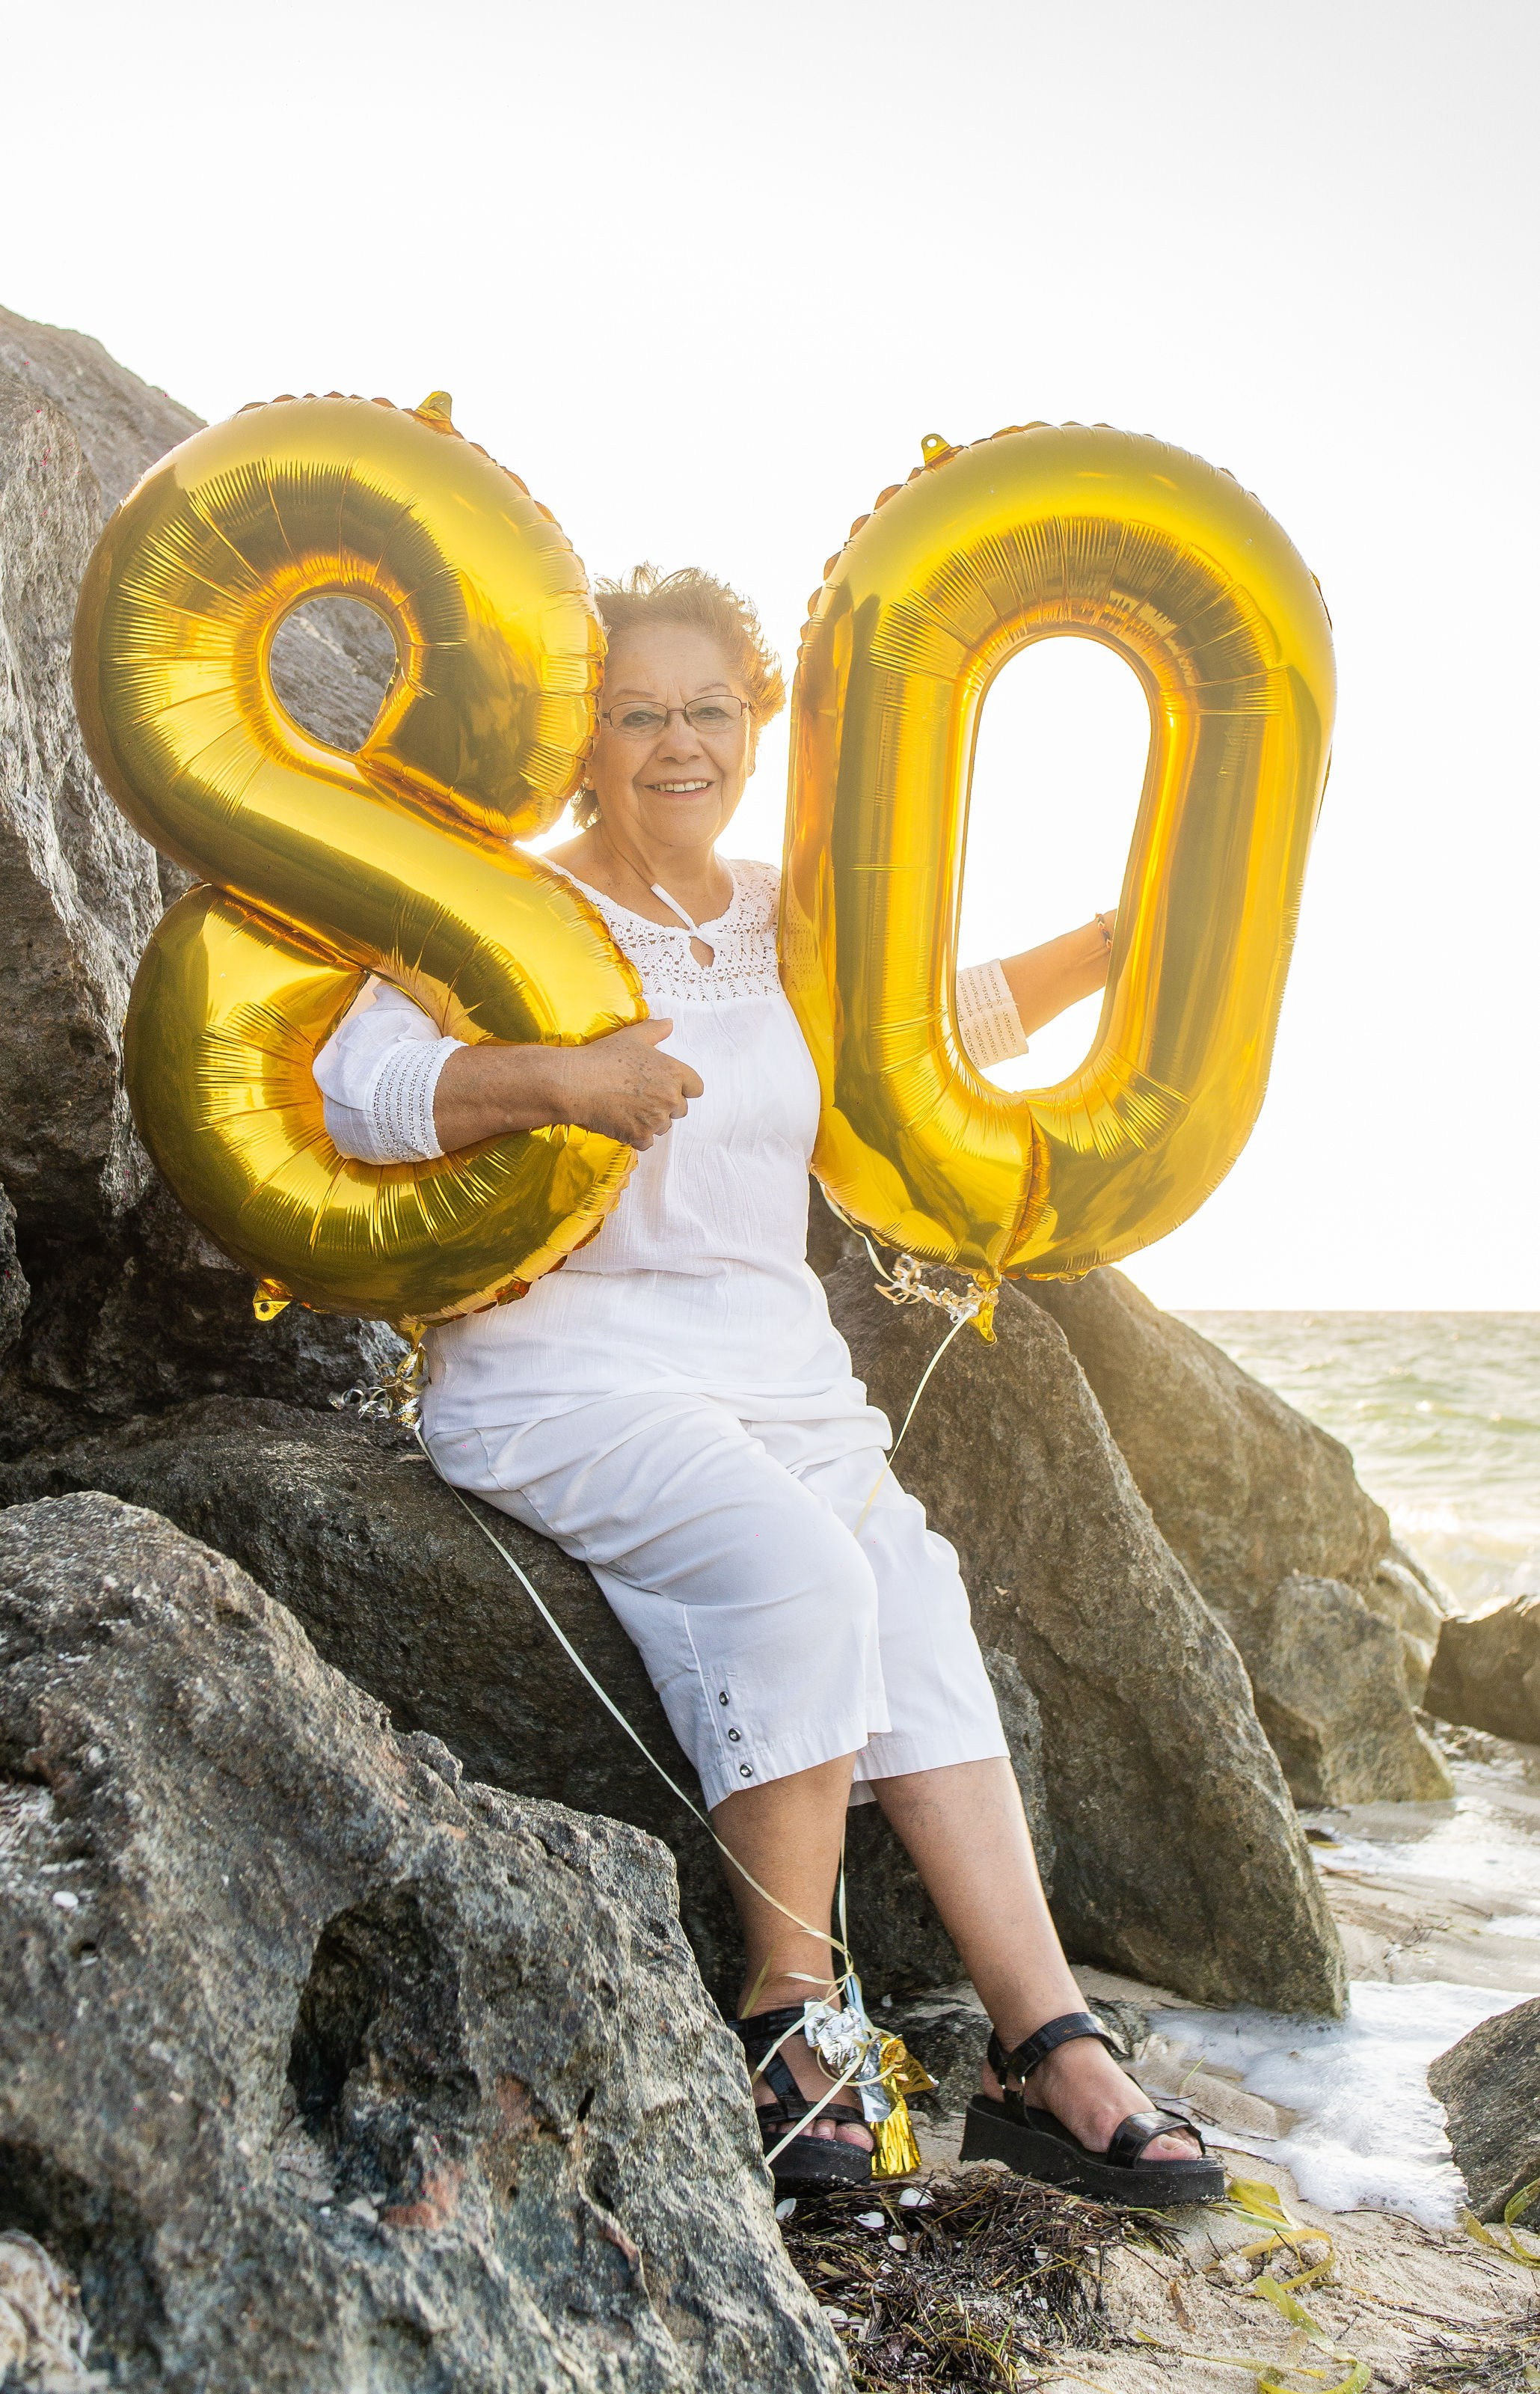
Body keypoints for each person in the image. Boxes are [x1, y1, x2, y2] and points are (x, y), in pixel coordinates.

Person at [313, 565, 1220, 2204]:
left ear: (757, 725)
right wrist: (559, 1078)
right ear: (583, 740)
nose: (679, 742)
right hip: (563, 1365)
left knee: (913, 1595)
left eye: (709, 709)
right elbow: (354, 1090)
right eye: (637, 712)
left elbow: (934, 1030)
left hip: (776, 1364)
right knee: (802, 1578)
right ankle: (789, 2018)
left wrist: (1114, 944)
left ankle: (1046, 2046)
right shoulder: (505, 904)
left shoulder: (784, 914)